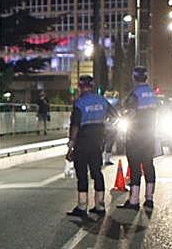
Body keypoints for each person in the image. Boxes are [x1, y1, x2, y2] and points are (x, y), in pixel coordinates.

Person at [66, 74, 111, 218]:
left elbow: (75, 125)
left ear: (80, 86)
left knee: (82, 174)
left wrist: (71, 146)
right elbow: (115, 115)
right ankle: (100, 205)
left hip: (82, 141)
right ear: (92, 86)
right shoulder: (102, 101)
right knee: (97, 172)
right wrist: (105, 130)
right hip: (97, 141)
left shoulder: (80, 103)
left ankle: (82, 206)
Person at [118, 66, 160, 212]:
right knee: (149, 165)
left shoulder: (135, 95)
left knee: (135, 166)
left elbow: (130, 114)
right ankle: (149, 199)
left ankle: (134, 200)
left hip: (136, 136)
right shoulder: (152, 94)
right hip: (150, 135)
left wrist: (122, 118)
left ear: (134, 77)